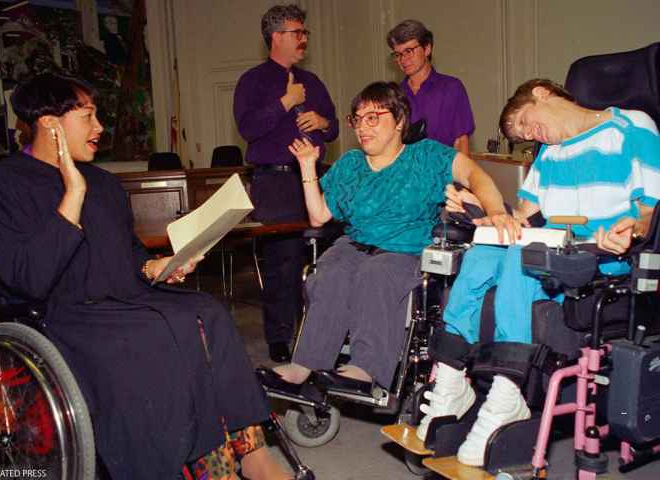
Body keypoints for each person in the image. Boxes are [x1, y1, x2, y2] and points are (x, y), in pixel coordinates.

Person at [0, 73, 290, 480]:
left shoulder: (105, 183)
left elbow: (129, 253)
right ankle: (203, 467)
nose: (100, 126)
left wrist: (157, 267)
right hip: (62, 312)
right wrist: (72, 193)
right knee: (153, 334)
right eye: (88, 116)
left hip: (123, 296)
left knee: (208, 311)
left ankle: (252, 452)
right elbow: (27, 277)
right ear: (50, 123)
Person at [419, 78, 660, 467]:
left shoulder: (632, 127)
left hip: (603, 261)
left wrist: (628, 230)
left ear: (543, 93)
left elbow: (649, 216)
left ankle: (508, 391)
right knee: (482, 253)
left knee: (520, 257)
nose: (530, 135)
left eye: (526, 123)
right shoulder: (548, 155)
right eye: (523, 135)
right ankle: (449, 383)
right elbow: (520, 219)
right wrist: (479, 209)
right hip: (551, 255)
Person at [273, 81, 518, 391]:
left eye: (373, 117)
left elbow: (474, 174)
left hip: (405, 251)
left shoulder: (425, 156)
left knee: (375, 273)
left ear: (400, 120)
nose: (363, 127)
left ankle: (365, 368)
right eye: (357, 119)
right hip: (355, 245)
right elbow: (319, 215)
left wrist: (495, 210)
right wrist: (307, 167)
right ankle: (305, 364)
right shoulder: (350, 164)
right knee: (328, 272)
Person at [234, 4, 339, 363]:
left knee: (328, 258)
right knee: (283, 261)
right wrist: (287, 102)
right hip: (274, 182)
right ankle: (280, 337)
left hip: (315, 178)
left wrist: (322, 121)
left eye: (305, 32)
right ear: (276, 37)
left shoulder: (313, 82)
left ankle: (325, 331)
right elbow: (248, 129)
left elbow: (336, 127)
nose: (304, 39)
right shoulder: (253, 80)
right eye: (298, 33)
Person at [387, 19, 475, 155]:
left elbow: (461, 143)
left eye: (409, 51)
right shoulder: (393, 95)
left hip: (443, 174)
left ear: (427, 48)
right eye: (398, 54)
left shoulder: (451, 88)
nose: (403, 60)